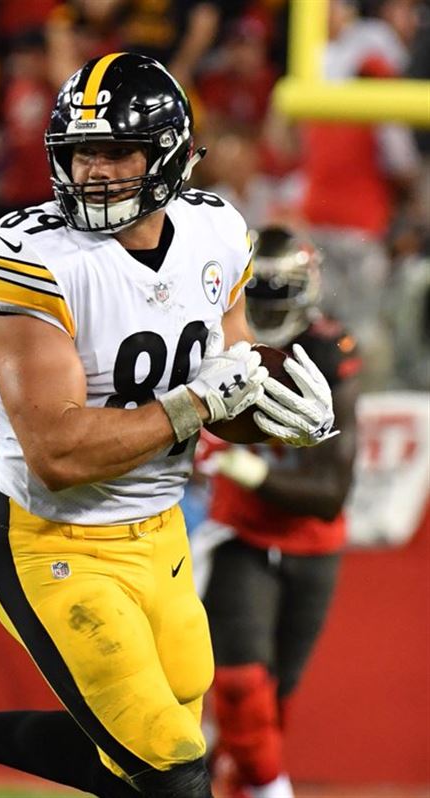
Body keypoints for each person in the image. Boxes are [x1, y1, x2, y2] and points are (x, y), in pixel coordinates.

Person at [0, 53, 339, 798]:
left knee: (142, 764)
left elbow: (229, 393)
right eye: (81, 154)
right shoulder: (29, 255)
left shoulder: (215, 232)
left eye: (116, 152)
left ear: (168, 154)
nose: (94, 172)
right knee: (173, 771)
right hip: (54, 540)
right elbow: (57, 454)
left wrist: (278, 423)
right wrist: (198, 403)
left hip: (161, 531)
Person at [201, 227, 360, 798]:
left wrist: (252, 470)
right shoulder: (213, 335)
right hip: (240, 534)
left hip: (312, 545)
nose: (266, 299)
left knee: (274, 698)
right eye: (257, 285)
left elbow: (330, 491)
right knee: (241, 686)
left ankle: (240, 782)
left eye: (277, 286)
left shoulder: (328, 350)